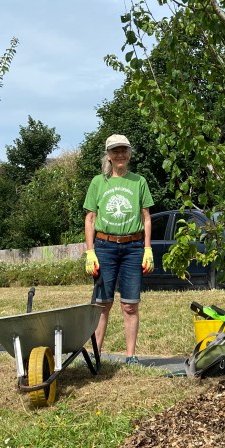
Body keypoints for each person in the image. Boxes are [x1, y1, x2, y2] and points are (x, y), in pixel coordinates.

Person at [83, 133, 154, 365]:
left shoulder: (139, 181)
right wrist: (90, 251)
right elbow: (90, 218)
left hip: (133, 248)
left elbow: (146, 217)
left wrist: (147, 248)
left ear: (129, 154)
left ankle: (130, 356)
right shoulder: (98, 182)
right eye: (115, 151)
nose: (120, 154)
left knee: (130, 305)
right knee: (102, 305)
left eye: (124, 150)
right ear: (109, 156)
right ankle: (95, 356)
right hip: (104, 247)